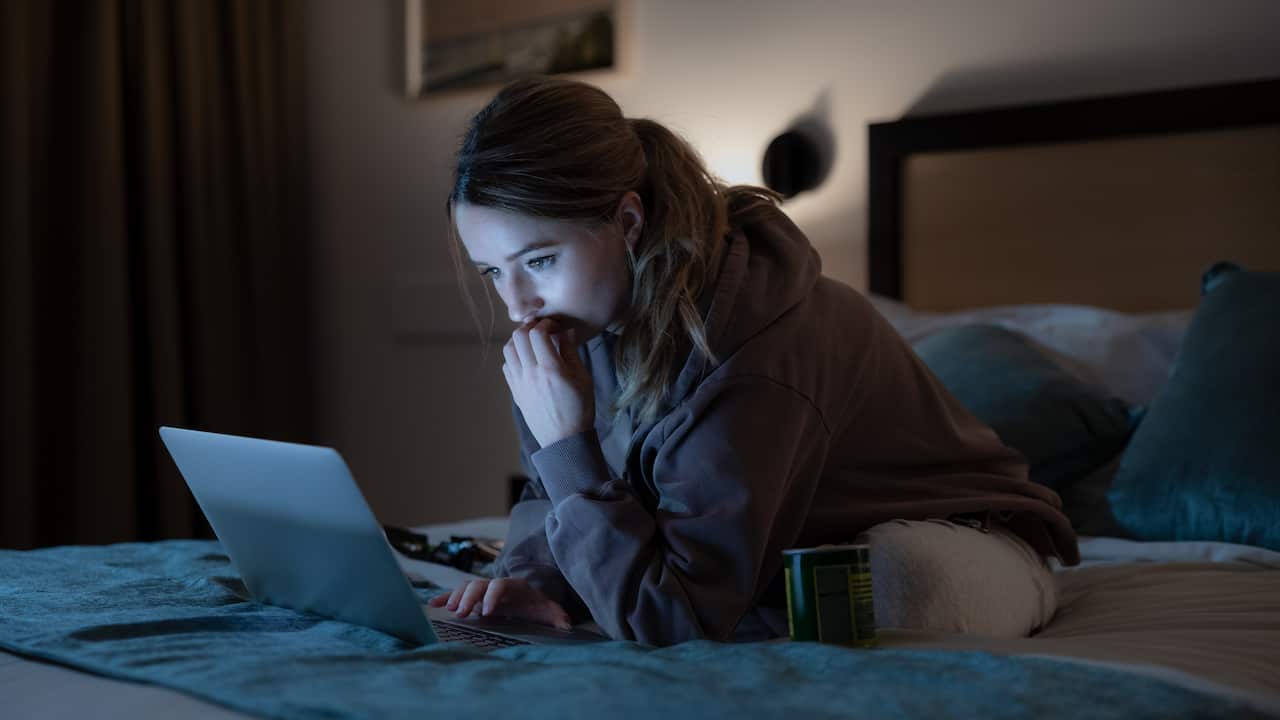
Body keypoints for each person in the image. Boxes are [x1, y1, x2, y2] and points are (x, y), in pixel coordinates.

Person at [428, 76, 1078, 646]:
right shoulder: (574, 326)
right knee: (785, 598)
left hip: (972, 546)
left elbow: (674, 621)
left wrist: (568, 442)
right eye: (493, 271)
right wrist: (537, 581)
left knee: (885, 582)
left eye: (539, 261)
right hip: (778, 550)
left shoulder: (753, 349)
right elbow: (557, 496)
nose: (517, 304)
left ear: (628, 221)